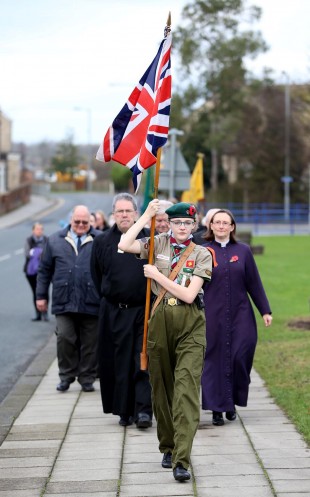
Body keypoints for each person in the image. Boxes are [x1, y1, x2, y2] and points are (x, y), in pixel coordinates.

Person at [118, 200, 213, 482]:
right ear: (169, 224)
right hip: (159, 321)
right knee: (162, 391)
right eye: (177, 223)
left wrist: (157, 275)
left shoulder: (202, 254)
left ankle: (182, 460)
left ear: (195, 226)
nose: (182, 227)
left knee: (185, 391)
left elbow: (188, 295)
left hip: (190, 323)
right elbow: (124, 243)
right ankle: (168, 446)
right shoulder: (156, 244)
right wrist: (146, 214)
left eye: (187, 223)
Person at [201, 208, 272, 426]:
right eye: (217, 222)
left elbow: (254, 282)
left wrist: (265, 310)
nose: (221, 226)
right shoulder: (202, 251)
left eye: (226, 223)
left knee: (241, 356)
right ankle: (216, 409)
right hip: (212, 315)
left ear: (232, 227)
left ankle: (231, 402)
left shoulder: (243, 251)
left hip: (241, 315)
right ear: (211, 226)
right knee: (213, 361)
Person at [90, 193, 153, 430]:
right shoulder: (102, 241)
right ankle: (123, 410)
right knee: (118, 363)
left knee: (142, 360)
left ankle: (144, 410)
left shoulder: (150, 240)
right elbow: (97, 276)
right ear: (113, 214)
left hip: (142, 311)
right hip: (114, 312)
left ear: (136, 214)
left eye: (128, 211)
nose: (124, 215)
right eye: (120, 211)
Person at [36, 205, 101, 393]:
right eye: (77, 221)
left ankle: (87, 378)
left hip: (92, 300)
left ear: (90, 221)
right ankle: (66, 375)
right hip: (64, 300)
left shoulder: (99, 239)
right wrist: (41, 296)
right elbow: (44, 270)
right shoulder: (54, 240)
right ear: (71, 221)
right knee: (64, 338)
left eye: (84, 222)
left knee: (90, 342)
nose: (80, 225)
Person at [24, 222, 48, 321]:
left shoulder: (46, 240)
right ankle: (38, 313)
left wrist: (36, 252)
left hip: (44, 271)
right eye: (37, 229)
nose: (39, 231)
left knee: (44, 291)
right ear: (33, 230)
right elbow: (27, 254)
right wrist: (38, 253)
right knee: (35, 292)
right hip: (31, 272)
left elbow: (49, 254)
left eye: (41, 229)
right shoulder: (29, 240)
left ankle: (45, 313)